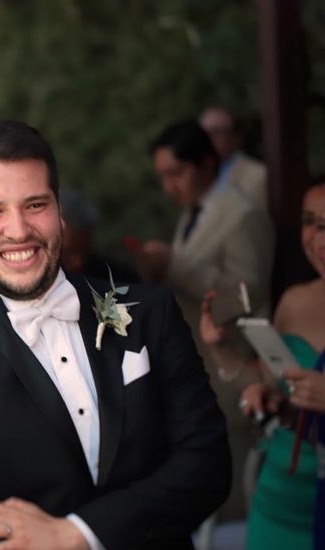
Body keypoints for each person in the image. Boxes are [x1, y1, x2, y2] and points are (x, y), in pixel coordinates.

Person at [0, 120, 231, 550]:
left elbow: (207, 466)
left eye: (35, 205)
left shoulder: (151, 313)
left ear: (59, 209)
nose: (18, 230)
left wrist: (76, 533)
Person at [138, 119, 273, 519]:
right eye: (162, 177)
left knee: (236, 499)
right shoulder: (193, 213)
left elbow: (249, 295)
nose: (168, 187)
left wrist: (174, 264)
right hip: (198, 371)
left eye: (175, 174)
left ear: (205, 163)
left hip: (234, 374)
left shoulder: (242, 213)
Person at [201, 178, 325, 549]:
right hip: (278, 497)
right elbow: (274, 384)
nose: (318, 239)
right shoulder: (294, 300)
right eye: (310, 223)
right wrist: (221, 349)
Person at [199, 106, 267, 211]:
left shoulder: (257, 176)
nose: (207, 140)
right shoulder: (200, 175)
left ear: (236, 136)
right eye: (203, 134)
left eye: (216, 132)